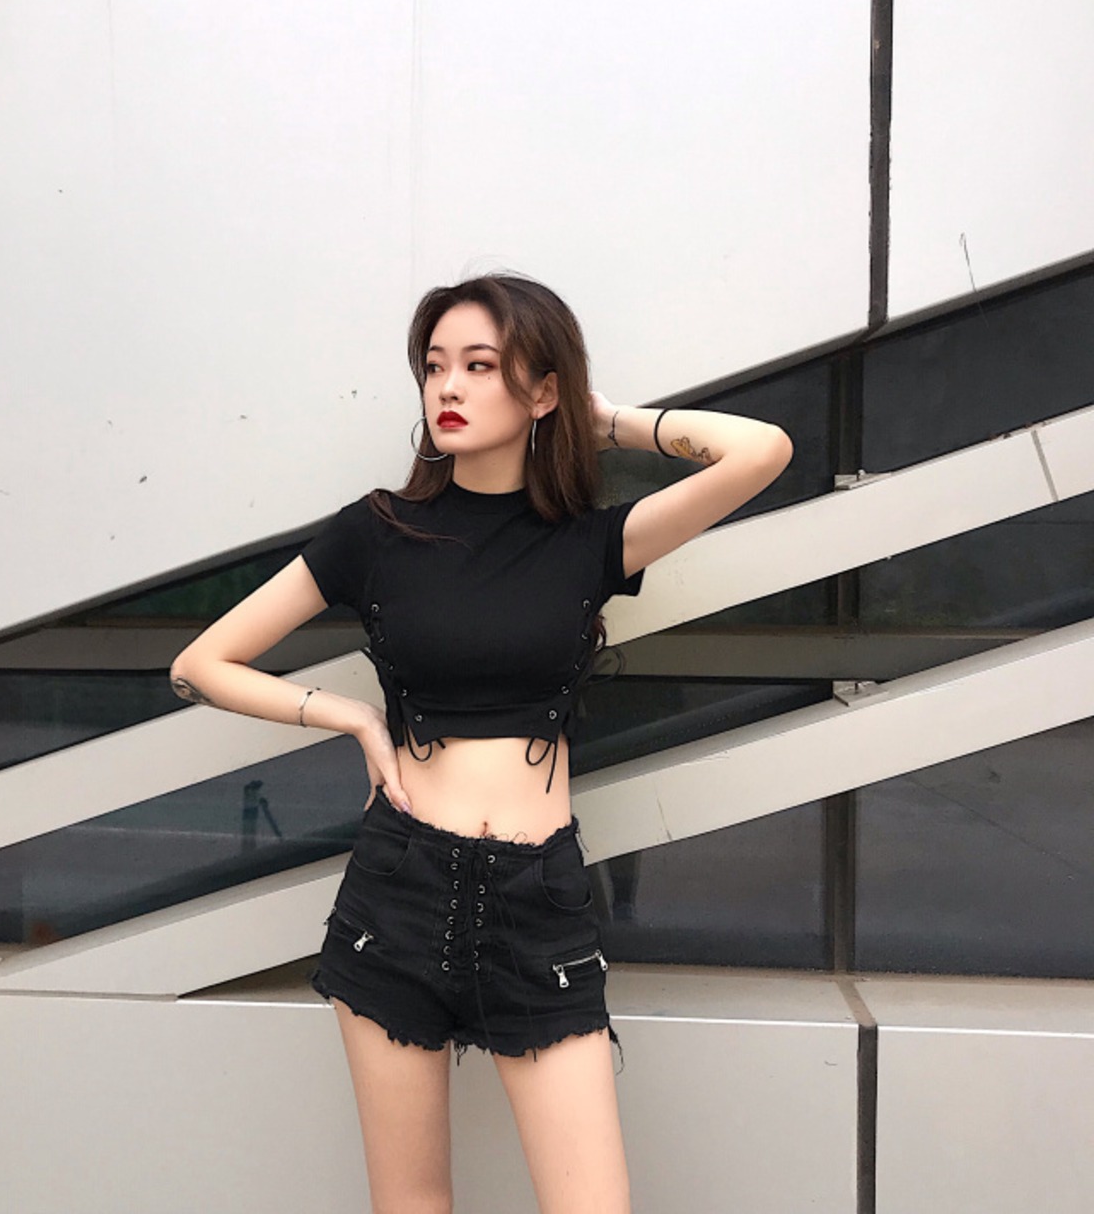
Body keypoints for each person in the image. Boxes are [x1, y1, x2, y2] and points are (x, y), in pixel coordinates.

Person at [169, 274, 793, 1214]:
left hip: (537, 900)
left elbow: (763, 451)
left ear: (541, 390)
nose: (448, 387)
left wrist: (605, 421)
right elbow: (202, 664)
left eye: (480, 366)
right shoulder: (376, 533)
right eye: (434, 367)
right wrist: (351, 717)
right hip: (399, 889)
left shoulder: (589, 544)